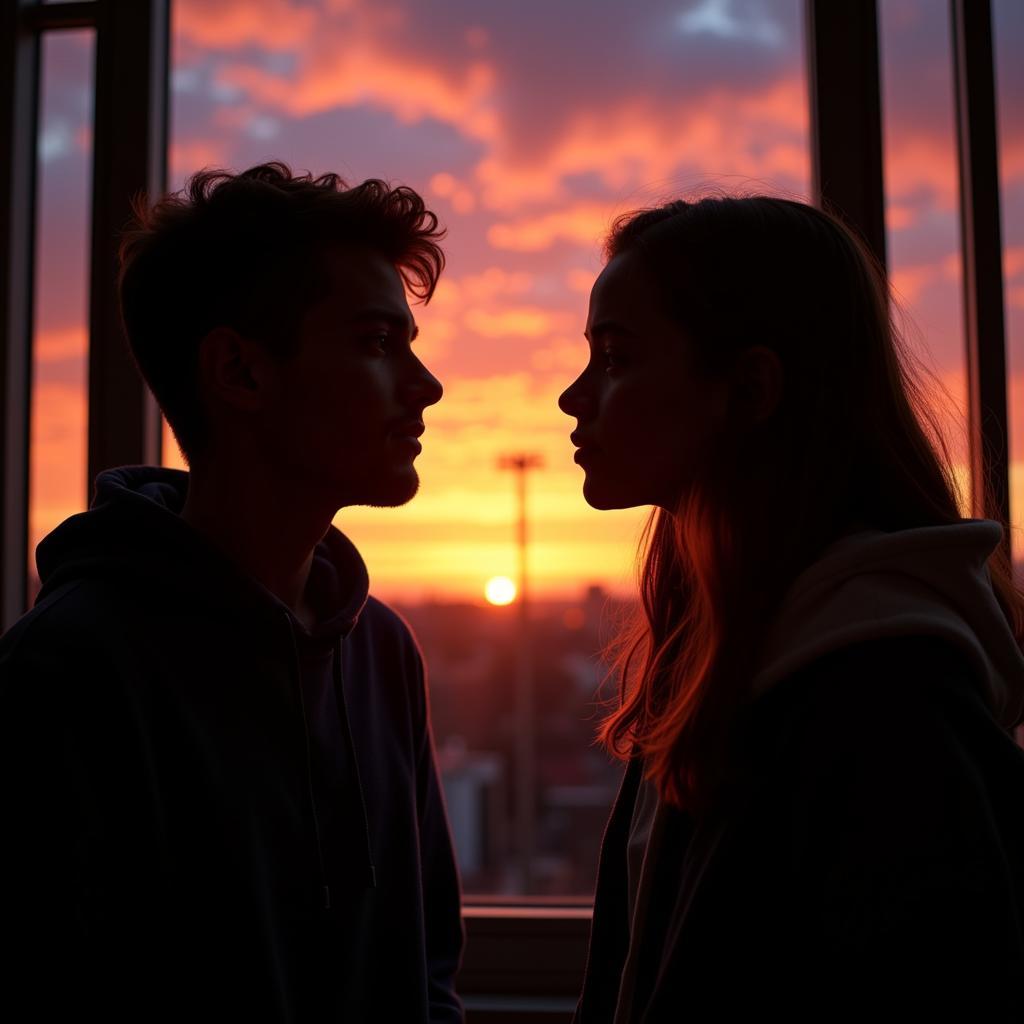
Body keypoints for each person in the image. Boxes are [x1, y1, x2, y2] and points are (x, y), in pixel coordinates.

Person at [0, 163, 463, 1023]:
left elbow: (425, 968)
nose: (426, 385)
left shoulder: (383, 653)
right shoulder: (70, 671)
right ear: (240, 373)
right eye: (375, 342)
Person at [558, 196, 1024, 1020]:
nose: (572, 397)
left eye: (614, 358)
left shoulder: (884, 701)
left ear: (747, 390)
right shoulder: (731, 651)